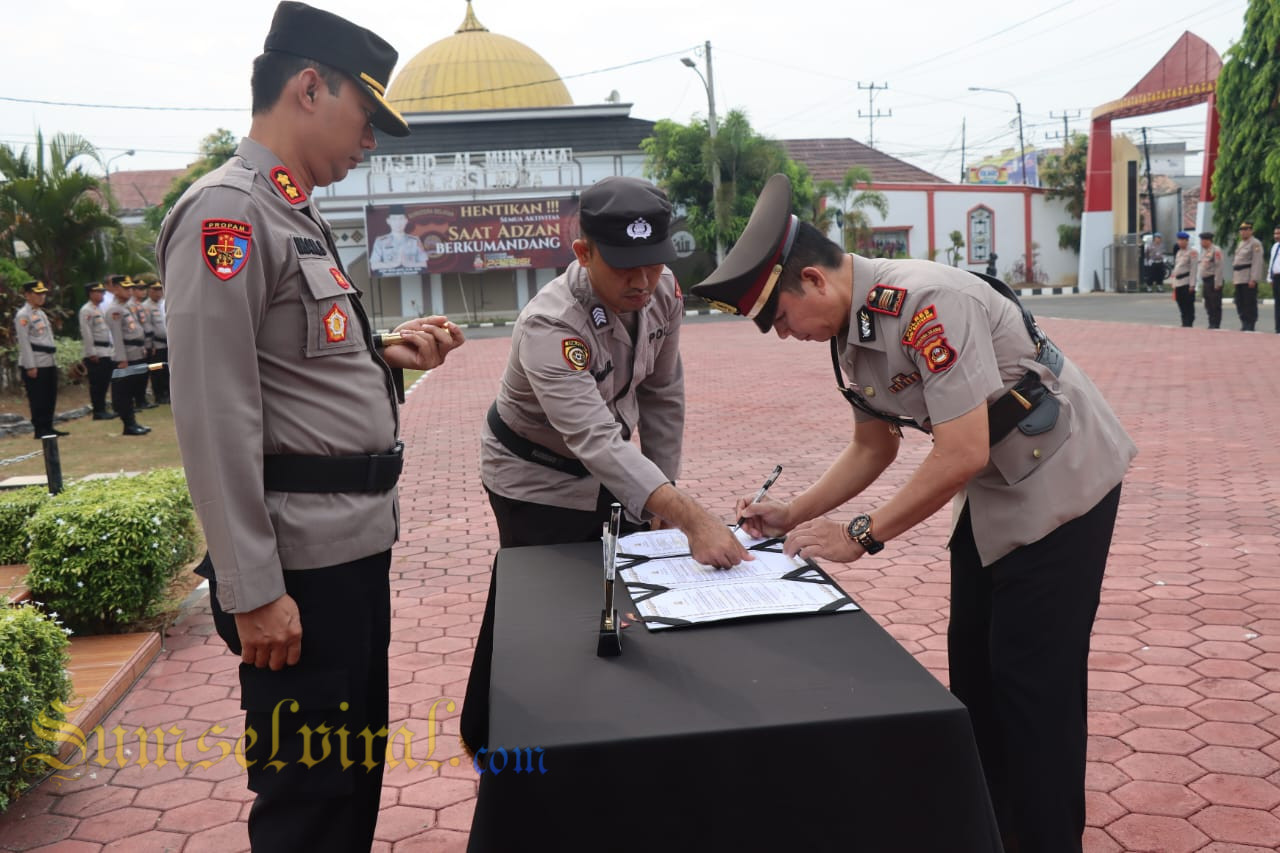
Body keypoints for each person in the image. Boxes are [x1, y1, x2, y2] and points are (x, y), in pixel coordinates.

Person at [692, 173, 1137, 853]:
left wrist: (862, 534)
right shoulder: (851, 333)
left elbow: (959, 452)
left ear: (812, 281)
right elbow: (874, 444)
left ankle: (1047, 839)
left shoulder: (926, 302)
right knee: (976, 673)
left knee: (1033, 687)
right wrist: (794, 512)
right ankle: (993, 830)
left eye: (780, 319)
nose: (784, 336)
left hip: (1063, 481)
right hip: (997, 489)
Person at [155, 4, 464, 851]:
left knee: (350, 778)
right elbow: (214, 411)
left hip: (349, 549)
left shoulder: (295, 211)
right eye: (366, 118)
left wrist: (387, 353)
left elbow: (291, 361)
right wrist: (252, 590)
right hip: (294, 571)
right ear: (307, 88)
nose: (371, 142)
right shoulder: (229, 214)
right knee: (310, 802)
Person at [461, 176, 749, 754]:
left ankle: (603, 728)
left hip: (611, 467)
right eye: (624, 268)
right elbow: (593, 439)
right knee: (537, 601)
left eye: (652, 263)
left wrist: (664, 496)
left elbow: (664, 393)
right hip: (533, 476)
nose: (642, 281)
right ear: (583, 253)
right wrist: (690, 516)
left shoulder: (663, 291)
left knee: (618, 590)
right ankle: (493, 732)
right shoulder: (551, 325)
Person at [14, 280, 66, 439]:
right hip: (35, 362)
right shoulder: (23, 315)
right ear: (28, 295)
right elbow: (24, 342)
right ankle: (40, 429)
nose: (42, 296)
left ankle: (48, 426)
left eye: (43, 293)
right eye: (38, 293)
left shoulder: (40, 313)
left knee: (50, 396)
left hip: (48, 360)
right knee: (38, 397)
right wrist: (30, 366)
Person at [103, 274, 150, 436]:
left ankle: (133, 422)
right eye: (125, 288)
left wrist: (142, 346)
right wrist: (122, 359)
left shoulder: (127, 307)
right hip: (125, 356)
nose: (129, 291)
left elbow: (136, 328)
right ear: (115, 289)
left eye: (130, 288)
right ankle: (128, 424)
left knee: (133, 389)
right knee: (123, 392)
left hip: (135, 352)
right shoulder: (114, 310)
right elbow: (116, 337)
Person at [78, 280, 116, 419]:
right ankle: (98, 411)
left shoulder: (99, 309)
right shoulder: (86, 310)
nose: (101, 295)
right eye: (98, 292)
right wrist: (91, 352)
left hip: (106, 350)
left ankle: (102, 408)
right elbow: (86, 333)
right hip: (97, 351)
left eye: (102, 292)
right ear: (90, 294)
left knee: (105, 382)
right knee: (97, 384)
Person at [368, 204, 429, 272]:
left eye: (401, 219)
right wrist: (394, 264)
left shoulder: (415, 240)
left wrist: (408, 264)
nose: (398, 223)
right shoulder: (380, 241)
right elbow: (374, 265)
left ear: (406, 221)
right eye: (394, 219)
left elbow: (424, 264)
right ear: (388, 221)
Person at [128, 277, 157, 409]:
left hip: (148, 342)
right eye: (139, 289)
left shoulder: (141, 305)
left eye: (144, 289)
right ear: (133, 290)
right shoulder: (131, 305)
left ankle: (142, 399)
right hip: (138, 344)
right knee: (136, 374)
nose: (143, 291)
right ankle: (137, 400)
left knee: (145, 373)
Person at [1231, 221, 1265, 331]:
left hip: (1248, 277)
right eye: (1242, 230)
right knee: (1239, 301)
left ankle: (1250, 323)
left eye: (1246, 229)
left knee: (1249, 302)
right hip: (1239, 277)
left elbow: (1257, 262)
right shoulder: (1240, 244)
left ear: (1251, 230)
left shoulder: (1255, 243)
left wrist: (1253, 279)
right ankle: (1244, 322)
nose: (1243, 232)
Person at [142, 278, 170, 403]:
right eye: (155, 290)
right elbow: (146, 328)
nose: (158, 293)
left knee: (168, 369)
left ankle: (168, 393)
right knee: (156, 370)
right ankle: (159, 394)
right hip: (155, 345)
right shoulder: (145, 306)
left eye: (160, 289)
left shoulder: (165, 303)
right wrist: (150, 345)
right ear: (149, 291)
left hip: (167, 344)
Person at [1170, 231, 1198, 327]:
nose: (1180, 242)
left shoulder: (1192, 252)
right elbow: (1176, 268)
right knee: (1180, 303)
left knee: (1188, 305)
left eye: (1182, 240)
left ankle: (1189, 322)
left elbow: (1194, 269)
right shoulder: (1178, 252)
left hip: (1187, 282)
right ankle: (1184, 322)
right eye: (1179, 240)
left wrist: (1192, 284)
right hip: (1178, 282)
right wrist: (1173, 283)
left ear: (1187, 241)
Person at [1198, 231, 1224, 329]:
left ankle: (1215, 324)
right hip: (1206, 281)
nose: (1201, 243)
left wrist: (1218, 283)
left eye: (1202, 241)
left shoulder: (1216, 250)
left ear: (1208, 240)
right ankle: (1211, 322)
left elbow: (1219, 267)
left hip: (1213, 280)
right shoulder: (1205, 251)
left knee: (1215, 304)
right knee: (1208, 303)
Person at [1270, 226, 1280, 333]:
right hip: (1276, 277)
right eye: (1275, 233)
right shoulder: (1274, 247)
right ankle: (1278, 327)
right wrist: (1270, 277)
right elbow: (1272, 263)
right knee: (1277, 303)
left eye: (1278, 233)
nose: (1276, 236)